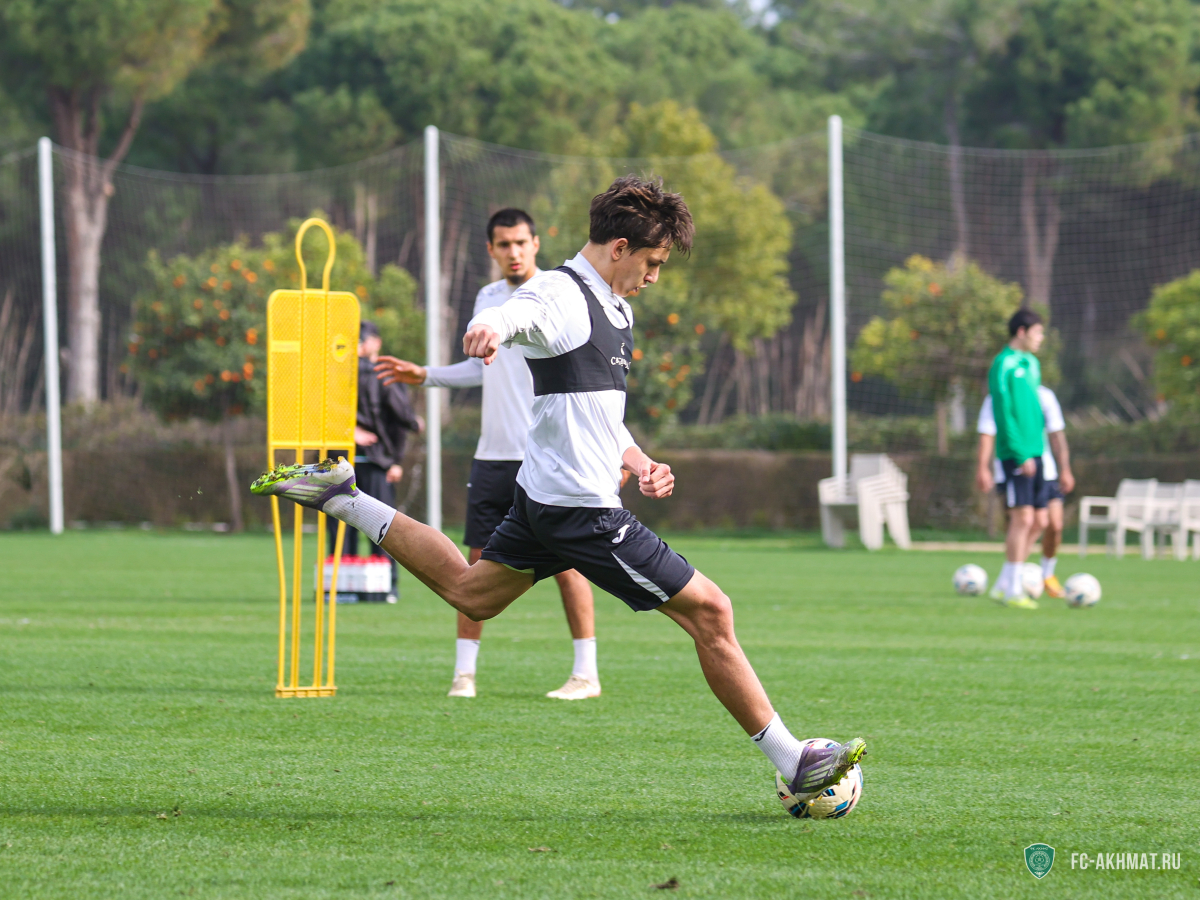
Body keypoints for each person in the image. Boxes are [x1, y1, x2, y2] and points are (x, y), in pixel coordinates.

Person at [252, 176, 865, 802]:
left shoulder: (616, 307)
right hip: (581, 511)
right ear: (620, 248)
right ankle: (795, 761)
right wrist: (488, 325)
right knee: (712, 611)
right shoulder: (562, 294)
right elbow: (517, 313)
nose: (655, 277)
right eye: (653, 262)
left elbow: (600, 414)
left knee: (471, 593)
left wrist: (638, 460)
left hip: (546, 499)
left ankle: (343, 496)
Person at [374, 208, 600, 701]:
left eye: (521, 242)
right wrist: (426, 375)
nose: (513, 252)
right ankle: (464, 675)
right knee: (476, 564)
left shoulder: (557, 296)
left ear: (536, 243)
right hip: (491, 457)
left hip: (545, 457)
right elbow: (482, 369)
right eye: (504, 244)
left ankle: (586, 674)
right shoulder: (487, 298)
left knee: (567, 564)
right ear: (491, 249)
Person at [326, 320, 422, 602]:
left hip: (362, 462)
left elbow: (399, 419)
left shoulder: (373, 374)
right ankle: (360, 588)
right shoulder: (345, 375)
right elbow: (402, 417)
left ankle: (368, 587)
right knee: (360, 525)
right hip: (355, 462)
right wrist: (350, 431)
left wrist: (395, 461)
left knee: (365, 524)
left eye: (361, 341)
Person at [975, 384, 1076, 599]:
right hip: (1014, 469)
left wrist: (1065, 469)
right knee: (1026, 522)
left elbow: (1056, 435)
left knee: (1053, 524)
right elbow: (987, 434)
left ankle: (1044, 574)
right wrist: (983, 467)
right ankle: (1009, 580)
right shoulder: (997, 398)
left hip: (1045, 470)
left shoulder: (1044, 395)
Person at [983, 309, 1047, 609]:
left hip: (1038, 451)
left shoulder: (1032, 364)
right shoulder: (1003, 363)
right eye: (1038, 332)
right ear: (1021, 332)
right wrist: (1020, 453)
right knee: (1022, 519)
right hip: (1016, 454)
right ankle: (1013, 591)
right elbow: (1003, 412)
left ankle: (1003, 583)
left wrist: (1038, 450)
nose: (1041, 338)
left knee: (1040, 520)